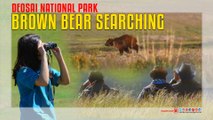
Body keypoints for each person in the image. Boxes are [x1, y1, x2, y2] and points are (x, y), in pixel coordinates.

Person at [12, 34, 70, 120]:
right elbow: (43, 81)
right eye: (39, 47)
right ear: (31, 51)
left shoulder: (44, 69)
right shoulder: (23, 72)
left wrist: (59, 57)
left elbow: (65, 81)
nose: (43, 49)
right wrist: (43, 56)